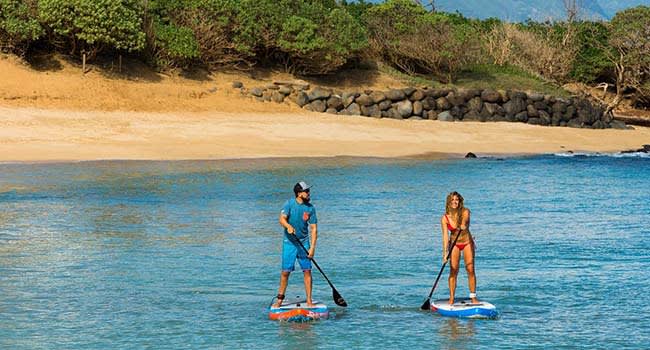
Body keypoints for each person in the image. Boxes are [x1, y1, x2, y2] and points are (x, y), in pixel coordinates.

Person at [271, 181, 318, 308]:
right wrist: (288, 226)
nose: (308, 193)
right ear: (299, 193)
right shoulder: (289, 204)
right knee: (285, 272)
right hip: (289, 243)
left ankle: (309, 301)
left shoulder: (310, 208)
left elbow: (314, 229)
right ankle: (279, 300)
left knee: (307, 271)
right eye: (306, 191)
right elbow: (281, 219)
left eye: (308, 191)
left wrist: (312, 248)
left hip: (304, 242)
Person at [441, 191, 478, 305]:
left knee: (470, 268)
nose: (454, 202)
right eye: (452, 200)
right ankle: (451, 298)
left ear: (459, 201)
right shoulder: (445, 218)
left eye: (456, 200)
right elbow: (445, 236)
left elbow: (465, 221)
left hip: (467, 242)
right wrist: (445, 254)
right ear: (449, 202)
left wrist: (463, 224)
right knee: (453, 270)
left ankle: (473, 297)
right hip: (454, 244)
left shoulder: (465, 211)